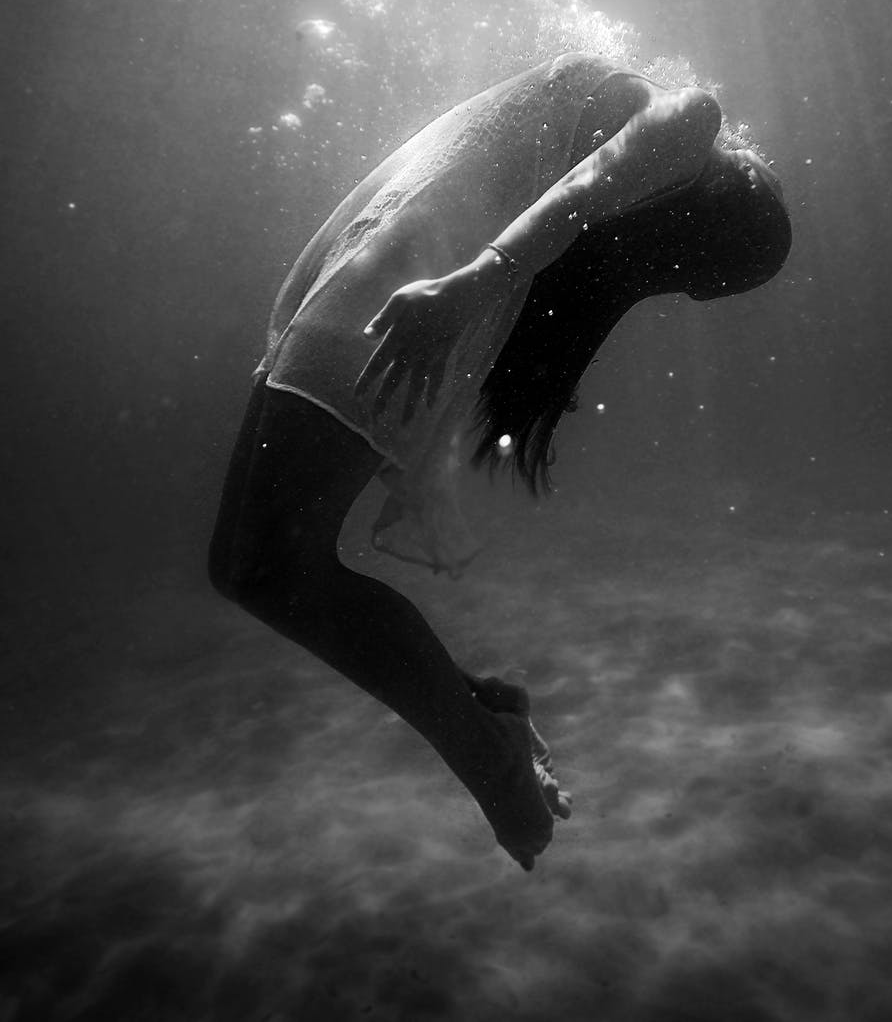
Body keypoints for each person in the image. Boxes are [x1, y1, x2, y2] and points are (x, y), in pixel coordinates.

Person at [208, 52, 791, 869]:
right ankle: (486, 727)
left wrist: (471, 283)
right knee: (251, 566)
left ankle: (483, 747)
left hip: (411, 273)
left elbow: (555, 194)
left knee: (259, 565)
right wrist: (473, 284)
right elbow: (575, 192)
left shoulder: (642, 113)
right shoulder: (693, 120)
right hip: (416, 273)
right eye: (692, 275)